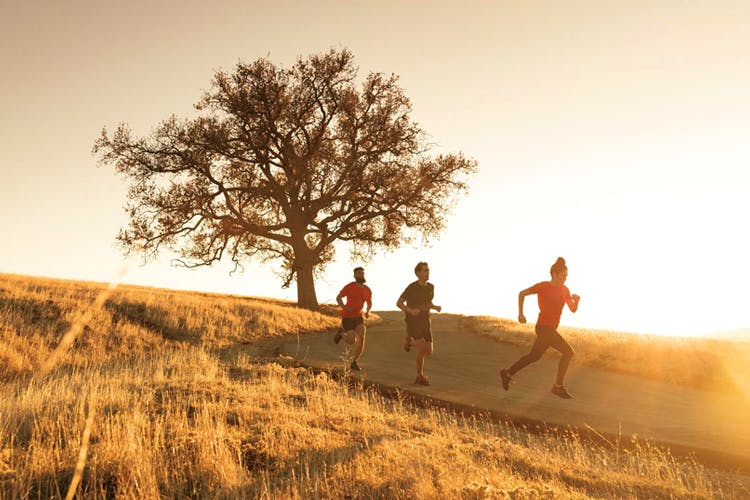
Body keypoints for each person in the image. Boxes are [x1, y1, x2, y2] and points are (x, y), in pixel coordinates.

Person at [499, 257, 580, 399]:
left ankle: (507, 373)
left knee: (534, 356)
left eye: (566, 276)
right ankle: (558, 387)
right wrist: (520, 313)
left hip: (550, 330)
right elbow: (522, 293)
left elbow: (572, 309)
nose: (565, 279)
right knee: (568, 352)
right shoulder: (543, 286)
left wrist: (577, 301)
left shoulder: (564, 290)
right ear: (554, 274)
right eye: (563, 276)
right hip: (543, 327)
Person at [397, 262, 442, 386]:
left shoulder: (430, 287)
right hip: (413, 321)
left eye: (428, 270)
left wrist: (435, 307)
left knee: (429, 351)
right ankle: (419, 376)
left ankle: (410, 342)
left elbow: (428, 302)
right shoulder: (411, 287)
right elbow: (399, 303)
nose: (428, 273)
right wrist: (410, 310)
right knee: (422, 348)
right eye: (425, 271)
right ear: (418, 273)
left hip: (425, 321)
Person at [334, 267, 372, 371]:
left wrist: (368, 311)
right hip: (347, 317)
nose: (362, 275)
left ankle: (354, 362)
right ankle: (341, 333)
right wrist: (344, 307)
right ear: (355, 276)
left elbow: (369, 303)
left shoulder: (367, 289)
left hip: (358, 317)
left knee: (362, 338)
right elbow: (338, 298)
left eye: (363, 273)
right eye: (359, 273)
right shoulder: (349, 287)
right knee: (351, 341)